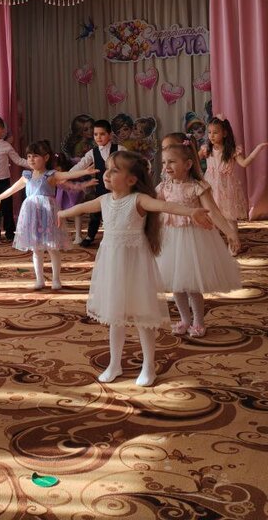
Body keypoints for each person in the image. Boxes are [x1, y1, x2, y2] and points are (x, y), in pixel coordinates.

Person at [57, 150, 213, 385]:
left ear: (131, 179)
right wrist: (61, 213)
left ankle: (148, 366)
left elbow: (164, 205)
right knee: (115, 316)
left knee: (142, 316)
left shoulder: (138, 200)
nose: (107, 174)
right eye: (107, 169)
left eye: (114, 170)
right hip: (112, 267)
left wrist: (191, 212)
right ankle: (114, 363)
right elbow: (82, 208)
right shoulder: (104, 200)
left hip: (137, 267)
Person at [155, 143, 242, 339]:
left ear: (187, 164)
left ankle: (198, 321)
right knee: (176, 284)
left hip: (193, 240)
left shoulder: (197, 187)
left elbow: (214, 213)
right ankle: (184, 319)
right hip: (170, 239)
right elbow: (151, 206)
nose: (166, 166)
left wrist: (230, 232)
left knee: (192, 284)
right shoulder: (164, 187)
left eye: (171, 162)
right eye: (164, 162)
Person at [0, 140, 97, 290]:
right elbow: (13, 189)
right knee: (36, 249)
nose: (31, 159)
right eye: (29, 156)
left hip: (48, 214)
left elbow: (68, 174)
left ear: (46, 158)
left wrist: (85, 172)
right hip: (31, 215)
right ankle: (39, 280)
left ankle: (56, 279)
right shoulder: (27, 176)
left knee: (52, 248)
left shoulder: (50, 175)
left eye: (35, 156)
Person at [200, 115, 268, 228]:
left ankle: (233, 238)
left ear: (224, 133)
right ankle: (214, 238)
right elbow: (194, 159)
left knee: (229, 216)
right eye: (209, 132)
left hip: (226, 188)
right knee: (211, 214)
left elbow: (244, 163)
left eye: (215, 132)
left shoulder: (231, 150)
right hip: (210, 186)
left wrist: (258, 148)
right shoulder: (206, 149)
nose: (211, 136)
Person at [72, 120, 118, 247]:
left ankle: (114, 235)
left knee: (115, 212)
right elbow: (81, 165)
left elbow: (131, 163)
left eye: (102, 134)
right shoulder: (93, 152)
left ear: (110, 134)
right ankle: (90, 235)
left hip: (117, 188)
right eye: (96, 134)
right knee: (95, 213)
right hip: (100, 188)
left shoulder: (119, 149)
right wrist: (66, 175)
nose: (98, 137)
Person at [58, 115, 95, 243]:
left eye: (91, 128)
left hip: (79, 177)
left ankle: (77, 235)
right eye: (86, 129)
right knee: (71, 208)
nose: (90, 131)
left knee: (75, 208)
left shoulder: (90, 144)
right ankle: (69, 234)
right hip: (76, 177)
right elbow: (81, 162)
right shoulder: (82, 146)